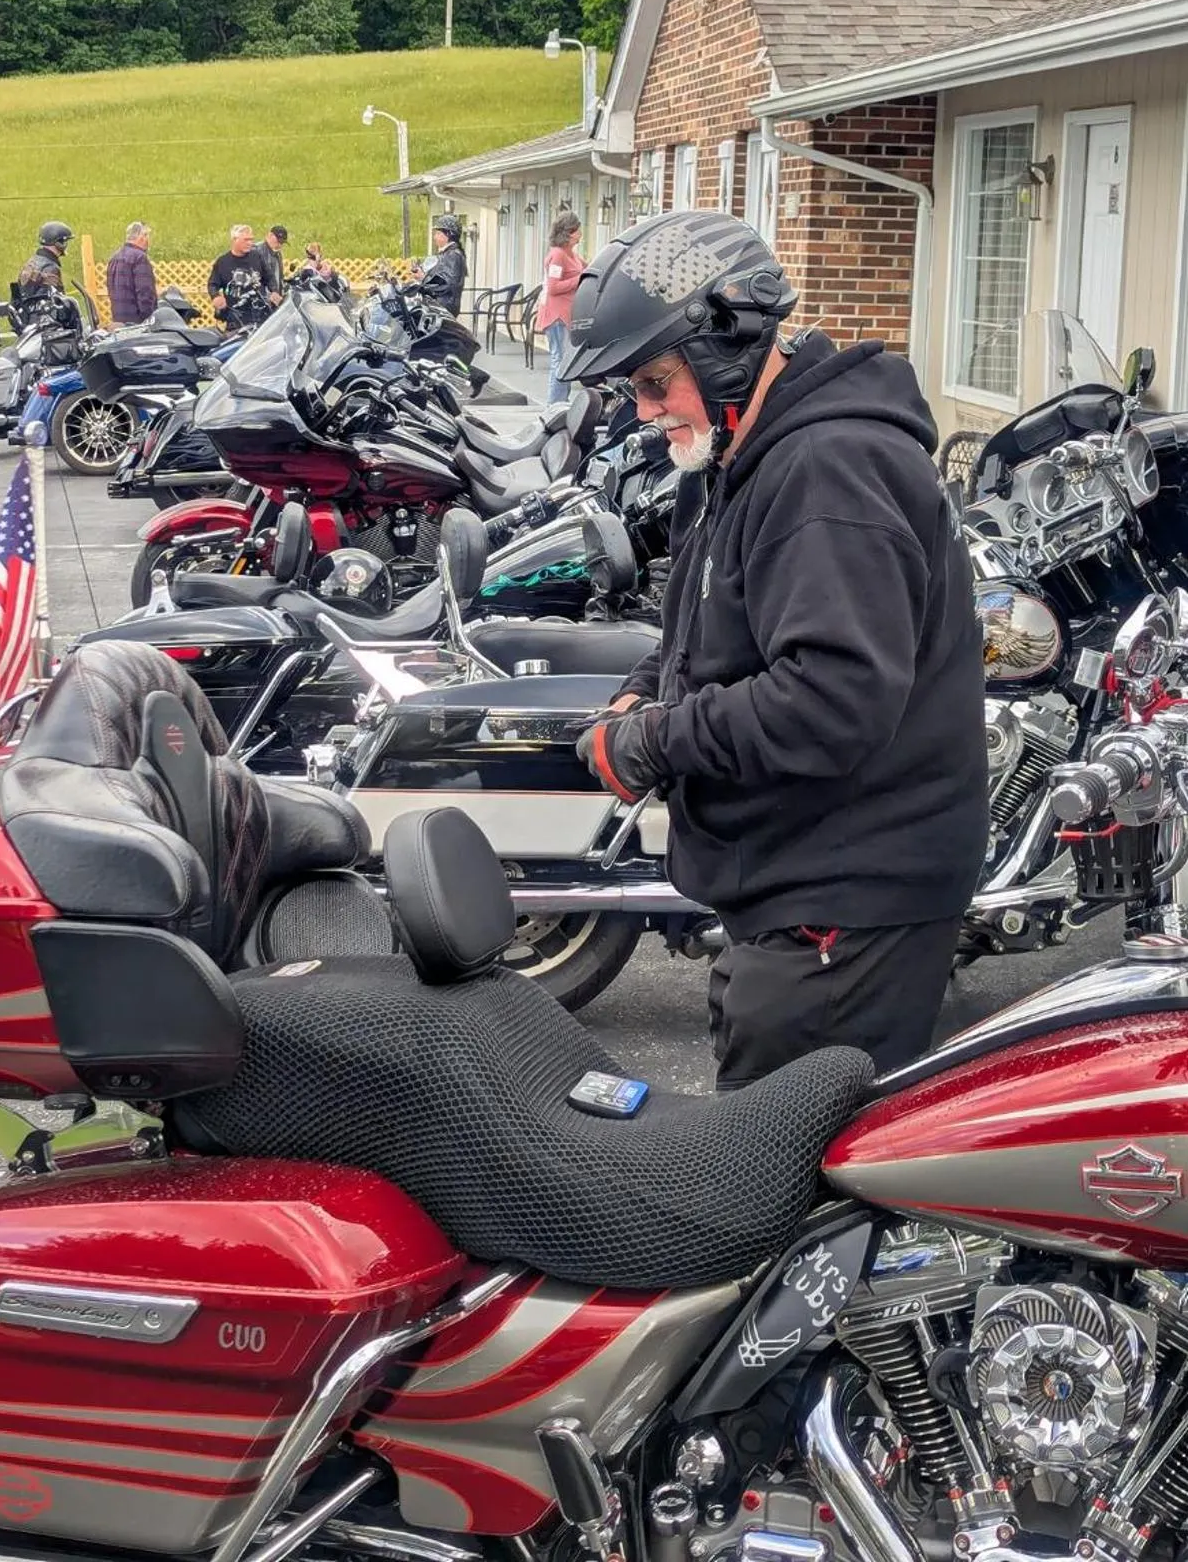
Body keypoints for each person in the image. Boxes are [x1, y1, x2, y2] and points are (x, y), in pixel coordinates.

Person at [565, 210, 987, 1090]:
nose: (644, 412)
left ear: (725, 348)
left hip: (846, 898)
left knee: (788, 1190)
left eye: (653, 381)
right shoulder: (736, 454)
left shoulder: (827, 468)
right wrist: (644, 688)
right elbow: (705, 620)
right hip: (790, 887)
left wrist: (652, 741)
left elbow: (832, 699)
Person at [537, 212, 585, 404]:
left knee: (565, 359)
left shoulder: (572, 254)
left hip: (568, 314)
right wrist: (578, 280)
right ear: (569, 233)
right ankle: (555, 404)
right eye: (577, 230)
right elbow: (554, 287)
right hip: (557, 316)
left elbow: (588, 268)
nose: (580, 233)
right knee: (560, 359)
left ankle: (561, 401)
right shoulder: (557, 255)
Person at [208, 224, 272, 332]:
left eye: (251, 240)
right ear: (234, 240)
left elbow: (269, 278)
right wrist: (215, 296)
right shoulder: (223, 262)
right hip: (235, 319)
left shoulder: (257, 257)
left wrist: (274, 291)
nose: (250, 243)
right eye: (246, 240)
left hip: (259, 317)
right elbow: (212, 284)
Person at [106, 222, 158, 326]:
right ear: (142, 237)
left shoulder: (114, 258)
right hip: (136, 323)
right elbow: (145, 291)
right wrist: (148, 318)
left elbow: (110, 288)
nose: (148, 240)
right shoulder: (140, 258)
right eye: (147, 235)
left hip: (118, 320)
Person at [419, 215, 467, 316]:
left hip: (443, 308)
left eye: (438, 233)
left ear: (449, 235)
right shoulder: (448, 254)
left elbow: (445, 283)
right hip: (440, 306)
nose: (435, 237)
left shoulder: (452, 255)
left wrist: (424, 278)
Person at [17, 220, 74, 301]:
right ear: (60, 243)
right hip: (39, 312)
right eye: (65, 242)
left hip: (25, 311)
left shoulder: (32, 261)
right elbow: (56, 302)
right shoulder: (51, 269)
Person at [254, 224, 290, 305]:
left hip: (275, 300)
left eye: (282, 243)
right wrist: (268, 295)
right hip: (263, 301)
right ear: (270, 235)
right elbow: (255, 279)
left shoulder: (278, 253)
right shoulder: (257, 251)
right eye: (278, 241)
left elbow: (278, 277)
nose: (280, 245)